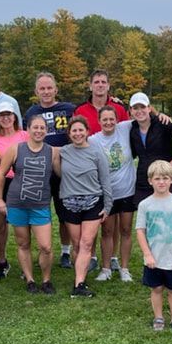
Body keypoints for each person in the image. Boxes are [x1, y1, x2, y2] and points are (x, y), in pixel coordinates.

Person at [53, 116, 112, 298]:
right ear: (69, 134)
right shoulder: (62, 152)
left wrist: (108, 206)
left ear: (87, 132)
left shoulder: (96, 152)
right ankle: (80, 274)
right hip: (69, 202)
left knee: (87, 243)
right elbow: (57, 170)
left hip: (93, 202)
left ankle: (79, 284)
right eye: (74, 131)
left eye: (81, 130)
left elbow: (105, 180)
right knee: (77, 244)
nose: (78, 134)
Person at [0, 115, 55, 294]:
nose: (38, 131)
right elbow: (1, 175)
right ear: (27, 130)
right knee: (23, 244)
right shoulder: (16, 149)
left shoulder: (52, 151)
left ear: (46, 130)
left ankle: (46, 280)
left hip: (40, 204)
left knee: (46, 246)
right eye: (34, 127)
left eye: (42, 128)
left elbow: (63, 173)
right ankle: (30, 279)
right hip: (17, 204)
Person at [24, 71, 76, 267]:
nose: (46, 92)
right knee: (39, 214)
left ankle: (65, 252)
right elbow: (26, 139)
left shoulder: (69, 109)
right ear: (36, 91)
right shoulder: (31, 113)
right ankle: (42, 251)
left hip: (64, 170)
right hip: (39, 171)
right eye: (41, 88)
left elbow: (79, 134)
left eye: (49, 88)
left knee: (64, 214)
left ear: (56, 89)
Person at [136, 160, 172, 332]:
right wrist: (147, 254)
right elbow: (140, 231)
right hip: (154, 258)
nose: (161, 182)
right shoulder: (145, 205)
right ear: (150, 180)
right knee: (157, 288)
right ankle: (158, 317)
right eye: (158, 178)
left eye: (165, 178)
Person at [89, 105, 139, 282]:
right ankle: (106, 268)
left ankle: (124, 268)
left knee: (126, 230)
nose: (109, 122)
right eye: (105, 119)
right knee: (107, 231)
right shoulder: (94, 140)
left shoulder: (125, 128)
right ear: (99, 121)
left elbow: (144, 116)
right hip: (107, 194)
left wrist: (159, 114)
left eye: (112, 119)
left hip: (127, 190)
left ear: (117, 120)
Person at [0, 103, 28, 279]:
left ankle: (24, 262)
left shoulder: (24, 135)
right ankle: (2, 261)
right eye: (2, 115)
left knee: (23, 225)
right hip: (0, 183)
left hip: (21, 181)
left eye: (9, 115)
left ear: (15, 117)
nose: (5, 118)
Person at [73, 69, 128, 134]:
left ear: (108, 86)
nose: (100, 85)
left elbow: (126, 133)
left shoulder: (120, 109)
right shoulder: (80, 111)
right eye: (96, 82)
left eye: (103, 82)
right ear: (90, 86)